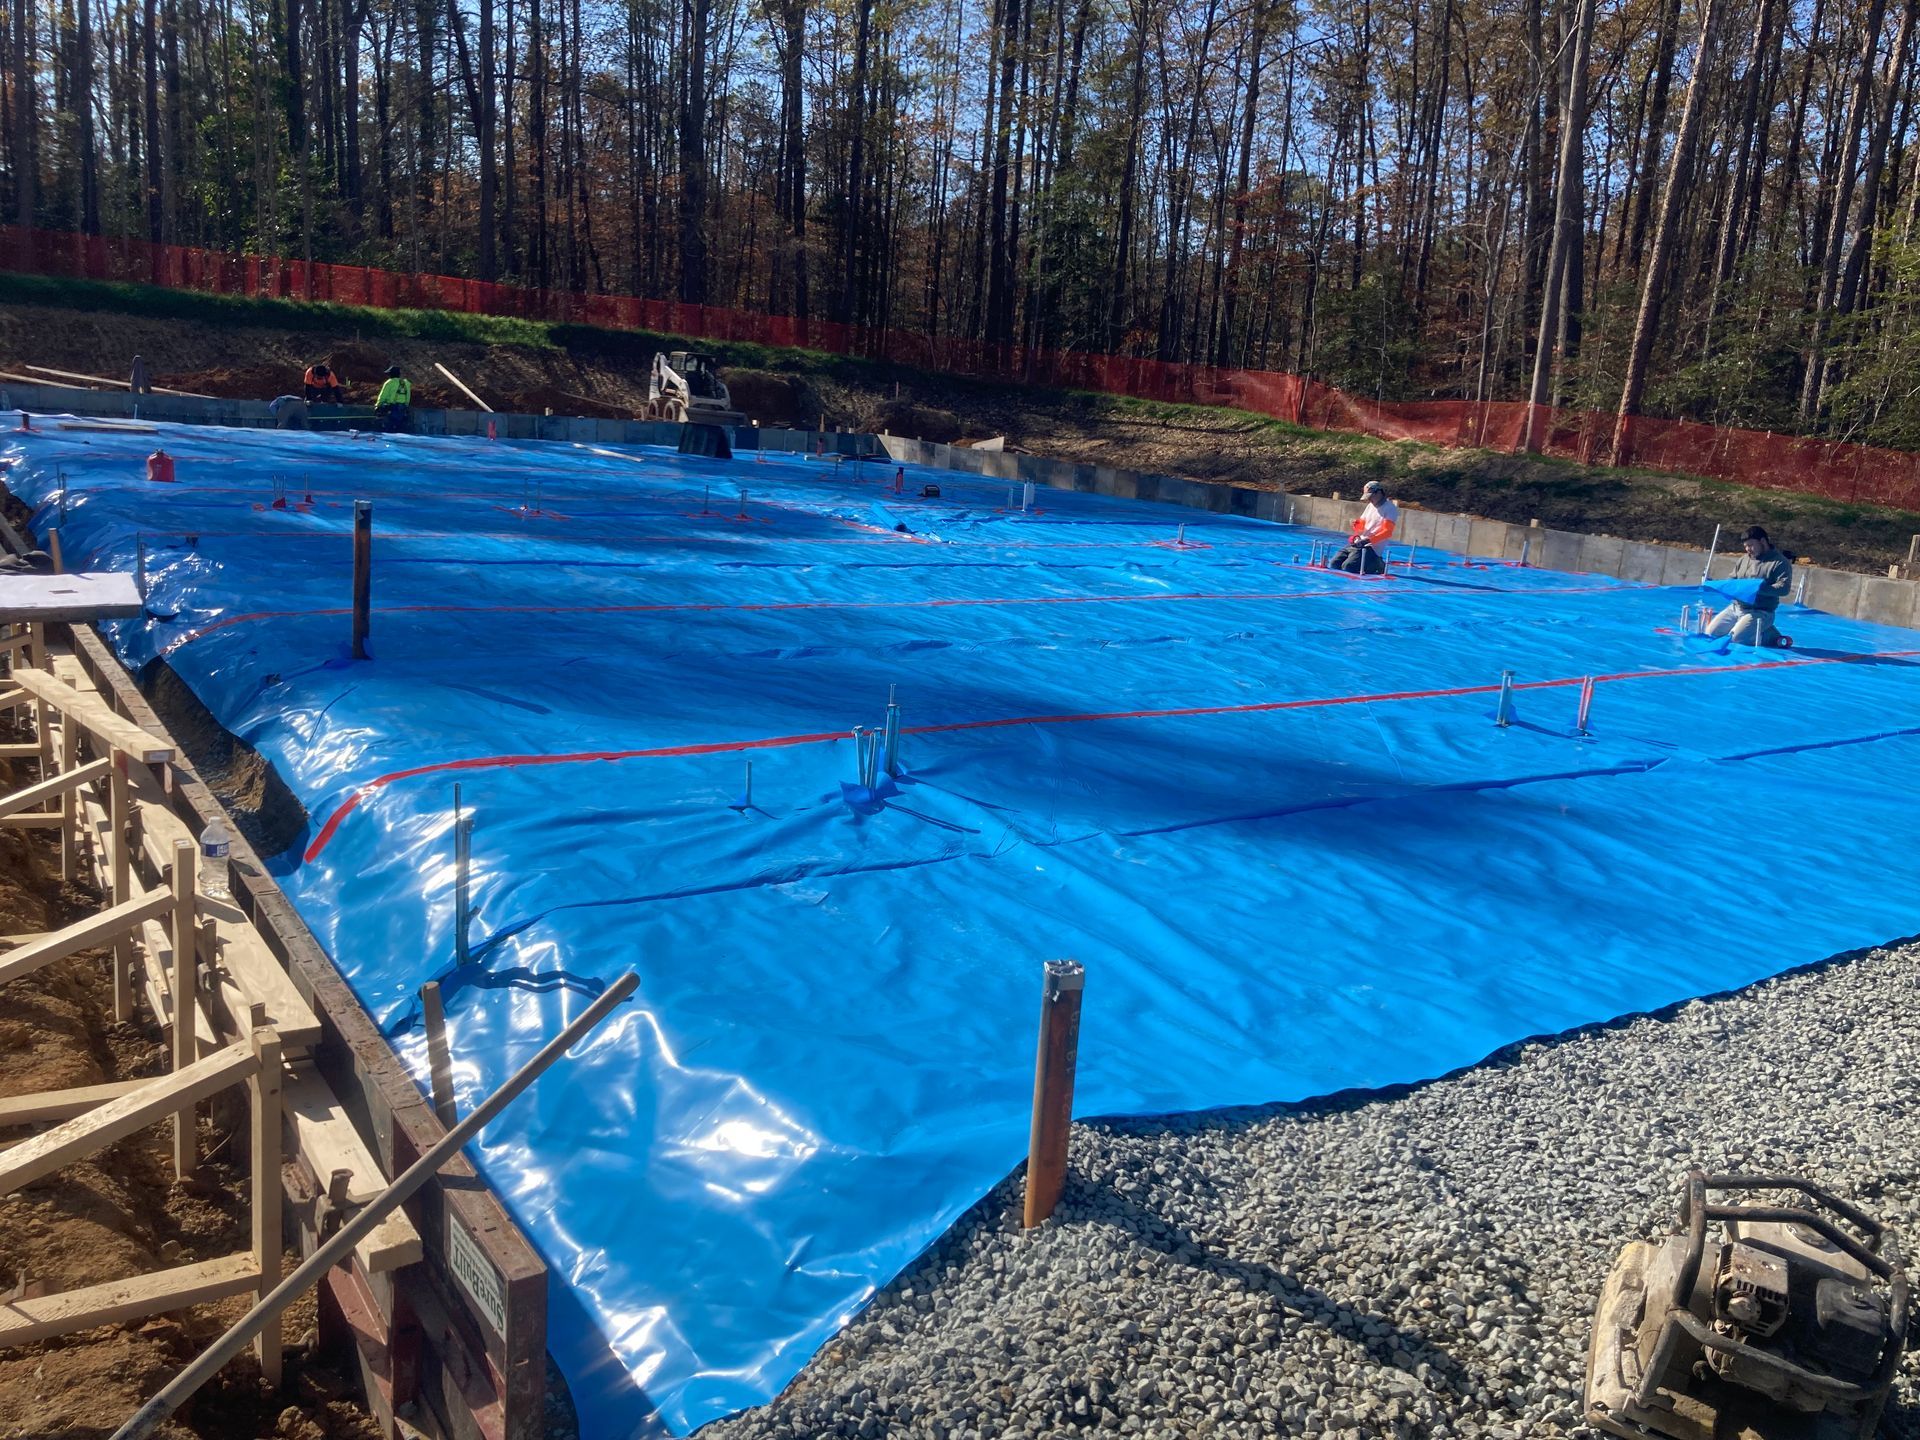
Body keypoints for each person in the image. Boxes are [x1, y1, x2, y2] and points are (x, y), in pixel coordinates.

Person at [1704, 526, 1794, 647]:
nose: (1748, 549)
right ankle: (1756, 628)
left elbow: (1784, 589)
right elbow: (1733, 579)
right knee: (1711, 633)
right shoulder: (1743, 560)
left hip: (1760, 611)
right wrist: (1722, 585)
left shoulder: (1779, 562)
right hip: (1736, 608)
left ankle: (1770, 636)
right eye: (1745, 546)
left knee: (1736, 639)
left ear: (1763, 542)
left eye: (1751, 545)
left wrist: (1757, 589)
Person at [1328, 480, 1399, 574]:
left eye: (1370, 497)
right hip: (1359, 543)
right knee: (1334, 564)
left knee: (1348, 567)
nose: (1369, 500)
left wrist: (1368, 540)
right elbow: (1361, 527)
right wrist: (1356, 524)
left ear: (1378, 493)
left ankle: (1376, 562)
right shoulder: (1370, 506)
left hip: (1372, 548)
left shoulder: (1389, 508)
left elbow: (1387, 532)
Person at [375, 365, 412, 433]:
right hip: (403, 409)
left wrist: (377, 406)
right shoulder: (406, 383)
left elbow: (383, 396)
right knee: (399, 429)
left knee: (389, 429)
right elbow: (408, 396)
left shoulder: (389, 382)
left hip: (392, 408)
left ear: (391, 374)